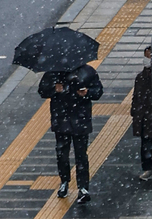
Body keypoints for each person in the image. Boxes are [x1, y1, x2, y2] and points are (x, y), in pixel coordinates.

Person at [38, 59, 103, 204]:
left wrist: (86, 93)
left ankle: (83, 187)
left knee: (81, 155)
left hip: (79, 120)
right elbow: (42, 90)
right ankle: (64, 182)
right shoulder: (53, 74)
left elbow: (98, 91)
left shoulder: (87, 72)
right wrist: (55, 89)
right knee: (62, 154)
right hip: (62, 120)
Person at [131, 44, 152, 186]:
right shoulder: (141, 77)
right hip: (144, 117)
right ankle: (148, 167)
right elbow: (136, 96)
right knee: (146, 143)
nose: (147, 59)